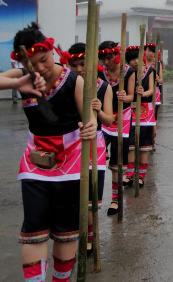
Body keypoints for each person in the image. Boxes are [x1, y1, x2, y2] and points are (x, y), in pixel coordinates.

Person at [0, 23, 97, 281]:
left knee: (66, 231)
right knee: (34, 229)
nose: (40, 68)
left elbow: (90, 117)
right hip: (35, 163)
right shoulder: (23, 77)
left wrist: (91, 125)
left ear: (52, 51)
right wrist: (18, 82)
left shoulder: (74, 81)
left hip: (71, 163)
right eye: (32, 64)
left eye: (44, 60)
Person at [62, 42, 113, 254]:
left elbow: (109, 120)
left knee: (91, 198)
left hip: (94, 146)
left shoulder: (104, 87)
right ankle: (72, 238)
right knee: (70, 198)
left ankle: (89, 239)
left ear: (92, 63)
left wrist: (99, 111)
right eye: (74, 65)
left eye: (83, 64)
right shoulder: (64, 85)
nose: (79, 69)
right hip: (68, 145)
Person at [98, 41, 135, 216]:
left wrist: (124, 96)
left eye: (109, 57)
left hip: (122, 117)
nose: (106, 61)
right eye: (103, 58)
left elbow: (131, 96)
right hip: (104, 117)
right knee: (96, 153)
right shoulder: (99, 72)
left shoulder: (129, 72)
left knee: (117, 161)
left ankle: (115, 199)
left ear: (117, 55)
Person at [125, 46, 156, 188]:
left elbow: (152, 90)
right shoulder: (127, 73)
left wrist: (143, 93)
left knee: (144, 145)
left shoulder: (150, 71)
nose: (136, 61)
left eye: (137, 58)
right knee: (130, 145)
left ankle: (141, 176)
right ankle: (129, 174)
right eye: (132, 59)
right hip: (130, 111)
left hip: (146, 111)